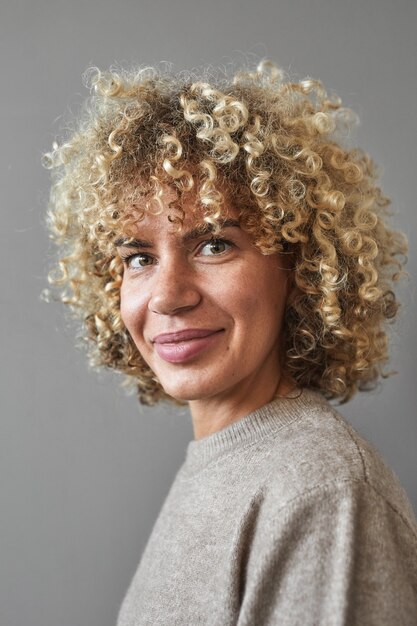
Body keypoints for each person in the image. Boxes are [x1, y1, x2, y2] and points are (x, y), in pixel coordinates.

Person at [44, 60, 417, 625]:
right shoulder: (230, 464)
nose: (167, 296)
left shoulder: (320, 489)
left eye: (214, 245)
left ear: (300, 268)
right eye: (139, 258)